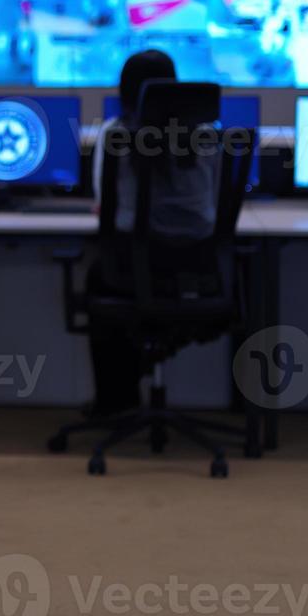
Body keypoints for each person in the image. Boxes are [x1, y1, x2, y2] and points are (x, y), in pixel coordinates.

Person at [87, 50, 222, 414]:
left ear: (124, 91)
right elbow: (218, 203)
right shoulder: (208, 135)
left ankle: (115, 403)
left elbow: (105, 205)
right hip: (199, 273)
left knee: (96, 275)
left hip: (131, 273)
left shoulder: (115, 135)